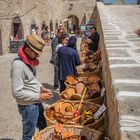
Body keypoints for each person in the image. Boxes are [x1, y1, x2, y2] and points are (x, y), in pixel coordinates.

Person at [11, 34, 53, 140]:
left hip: (35, 102)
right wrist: (39, 96)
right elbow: (17, 93)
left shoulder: (27, 61)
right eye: (36, 53)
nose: (38, 56)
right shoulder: (18, 66)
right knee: (28, 135)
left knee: (44, 128)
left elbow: (30, 79)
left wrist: (41, 88)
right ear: (27, 50)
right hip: (28, 106)